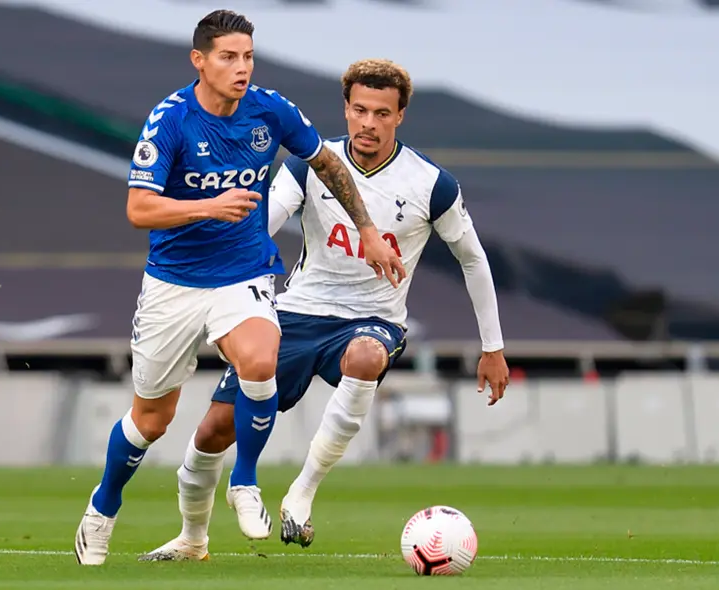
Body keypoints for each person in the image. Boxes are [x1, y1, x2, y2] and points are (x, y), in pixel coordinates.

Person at [139, 58, 509, 562]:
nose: (369, 123)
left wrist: (493, 347)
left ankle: (301, 494)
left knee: (365, 357)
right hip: (296, 313)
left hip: (372, 319)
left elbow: (473, 259)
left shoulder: (431, 184)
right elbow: (262, 225)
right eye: (360, 110)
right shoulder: (309, 165)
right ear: (346, 109)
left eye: (382, 113)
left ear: (400, 116)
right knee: (213, 431)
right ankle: (191, 539)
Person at [72, 10, 404, 566]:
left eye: (248, 56)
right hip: (174, 283)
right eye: (228, 57)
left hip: (243, 273)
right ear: (199, 61)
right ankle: (103, 506)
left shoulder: (270, 111)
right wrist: (209, 205)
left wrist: (367, 229)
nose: (242, 67)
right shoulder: (171, 120)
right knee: (151, 421)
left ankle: (244, 481)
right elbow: (138, 209)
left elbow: (327, 163)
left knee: (259, 358)